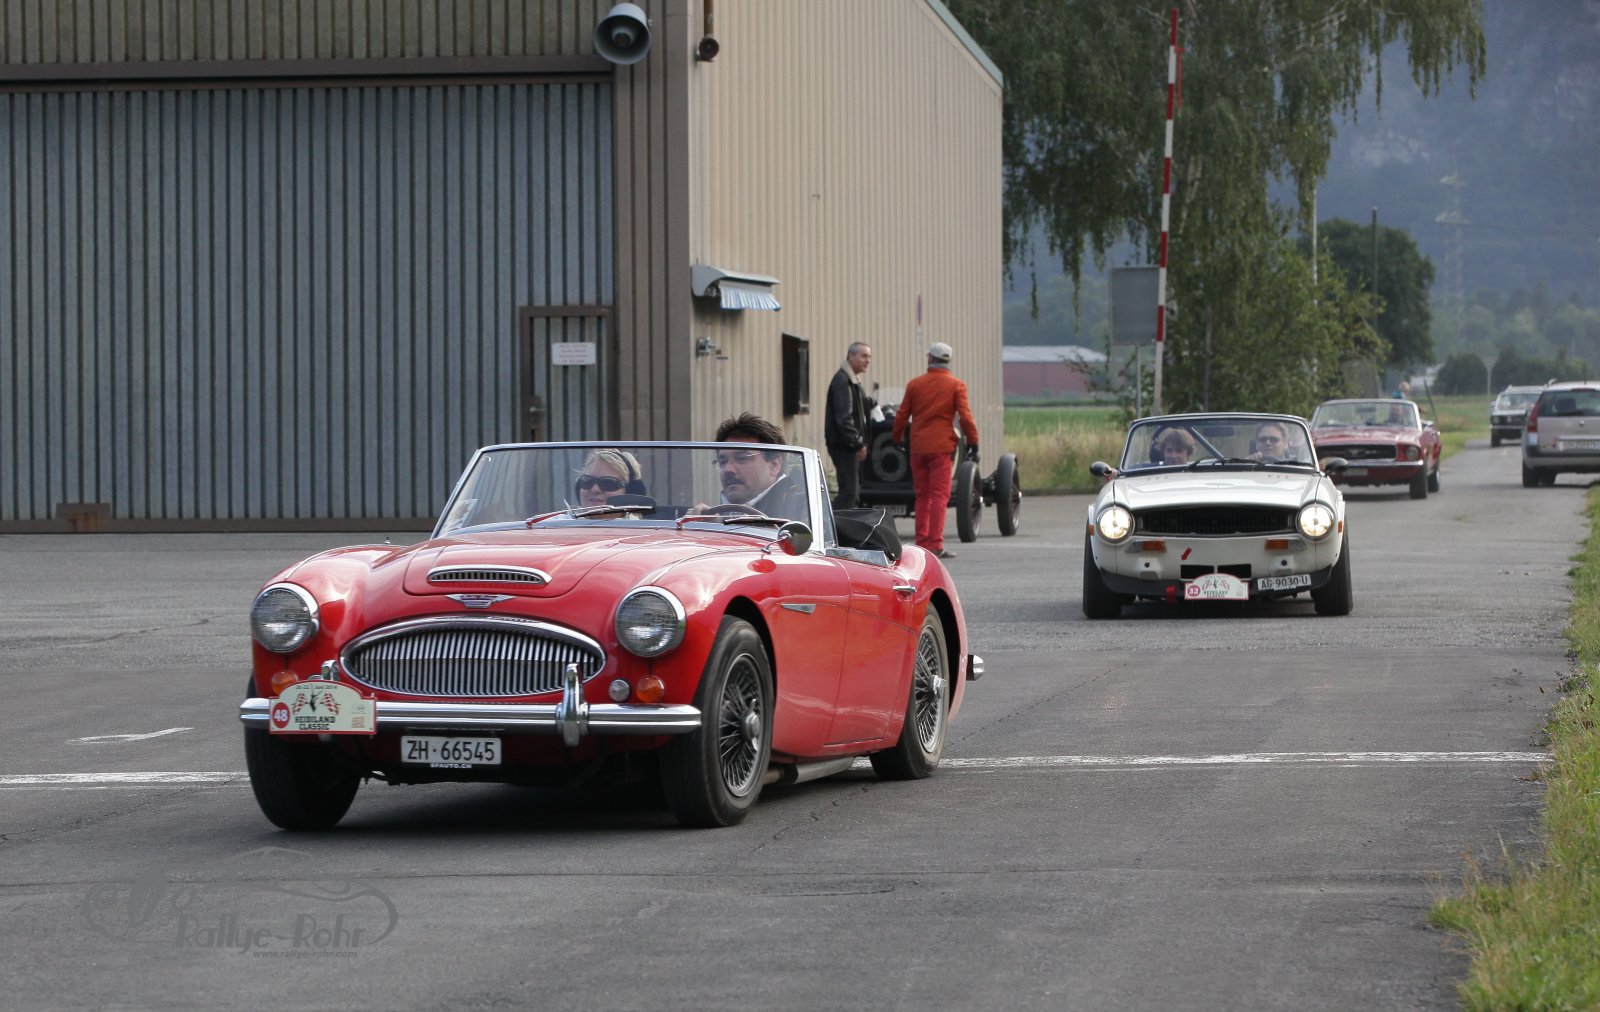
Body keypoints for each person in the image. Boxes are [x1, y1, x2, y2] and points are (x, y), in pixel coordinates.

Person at [891, 341, 978, 560]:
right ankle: (936, 544)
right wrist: (973, 441)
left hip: (918, 447)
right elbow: (966, 417)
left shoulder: (915, 384)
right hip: (941, 448)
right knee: (940, 496)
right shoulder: (956, 385)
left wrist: (897, 438)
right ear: (948, 361)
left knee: (922, 495)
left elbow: (902, 415)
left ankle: (922, 543)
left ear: (930, 358)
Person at [710, 413, 810, 522]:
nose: (728, 469)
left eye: (742, 458)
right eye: (723, 461)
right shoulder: (714, 516)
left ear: (774, 464)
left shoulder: (805, 511)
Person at [825, 342, 873, 511]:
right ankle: (830, 523)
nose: (867, 360)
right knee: (849, 493)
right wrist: (857, 444)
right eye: (863, 356)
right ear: (850, 356)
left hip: (847, 445)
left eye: (869, 357)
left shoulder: (852, 381)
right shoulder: (843, 381)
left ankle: (838, 522)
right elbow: (844, 419)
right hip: (844, 446)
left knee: (852, 493)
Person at [574, 448, 646, 507]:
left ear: (629, 493)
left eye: (607, 483)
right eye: (587, 481)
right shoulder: (567, 519)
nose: (594, 489)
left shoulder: (649, 521)